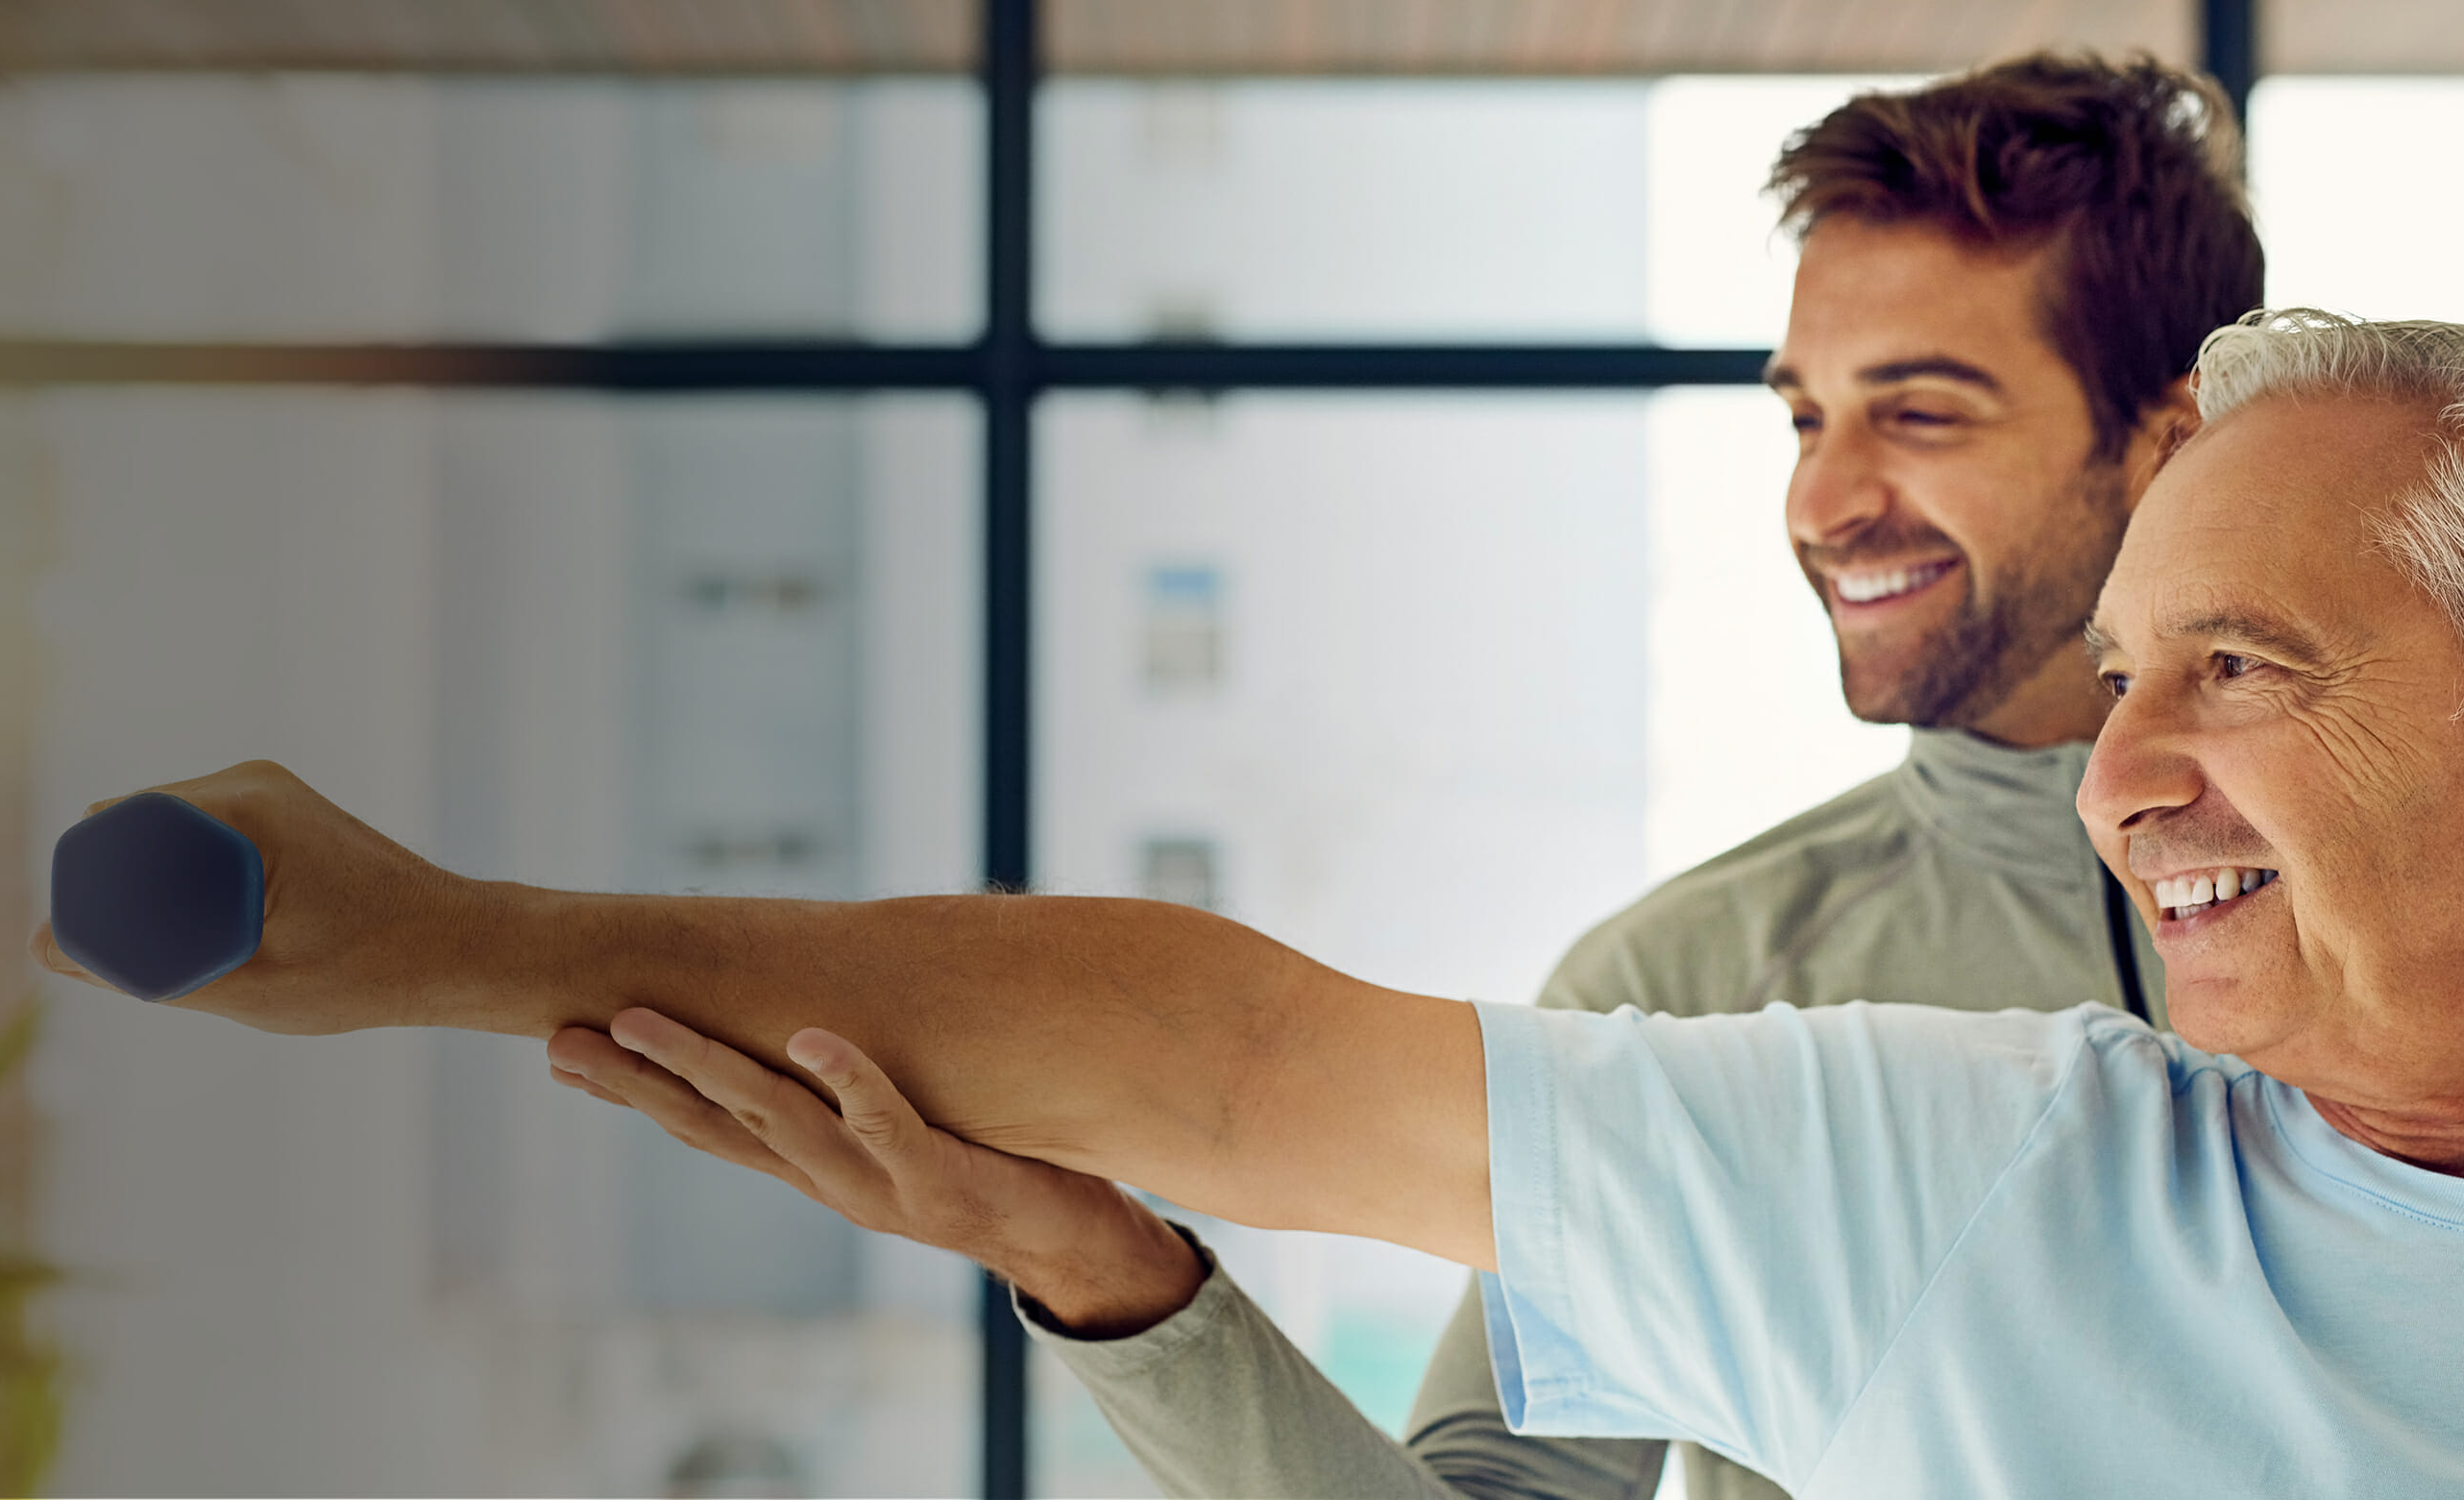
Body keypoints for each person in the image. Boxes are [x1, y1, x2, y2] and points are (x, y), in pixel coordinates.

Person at [37, 311, 2464, 1493]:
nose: (2120, 776)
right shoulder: (1982, 1180)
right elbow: (1233, 1055)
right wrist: (450, 941)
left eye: (2240, 671)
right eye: (2127, 672)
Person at [577, 54, 2268, 1500]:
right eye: (1801, 416)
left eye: (1919, 413)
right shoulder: (1690, 991)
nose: (1824, 502)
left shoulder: (2442, 887)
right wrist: (1097, 1267)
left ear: (2164, 438)